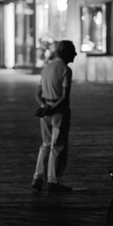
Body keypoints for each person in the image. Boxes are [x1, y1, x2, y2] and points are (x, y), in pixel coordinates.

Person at [32, 39, 76, 193]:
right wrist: (53, 108)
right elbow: (64, 97)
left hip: (46, 111)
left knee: (45, 144)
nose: (75, 54)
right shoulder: (65, 70)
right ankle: (53, 180)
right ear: (66, 53)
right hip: (59, 112)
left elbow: (37, 93)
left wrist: (45, 107)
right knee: (57, 146)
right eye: (73, 51)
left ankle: (37, 177)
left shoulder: (46, 68)